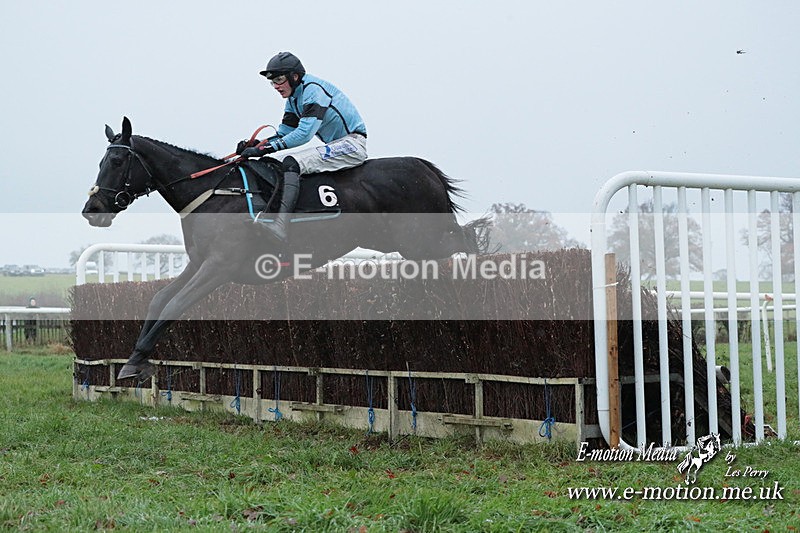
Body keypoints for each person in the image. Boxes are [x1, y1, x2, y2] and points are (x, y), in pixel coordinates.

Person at [236, 51, 368, 242]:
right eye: (272, 82)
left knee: (291, 162)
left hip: (352, 144)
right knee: (270, 162)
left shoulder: (313, 91)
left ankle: (281, 225)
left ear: (294, 76)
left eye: (279, 80)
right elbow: (284, 133)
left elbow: (303, 135)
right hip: (336, 144)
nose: (276, 86)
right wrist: (259, 144)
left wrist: (263, 149)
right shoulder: (293, 98)